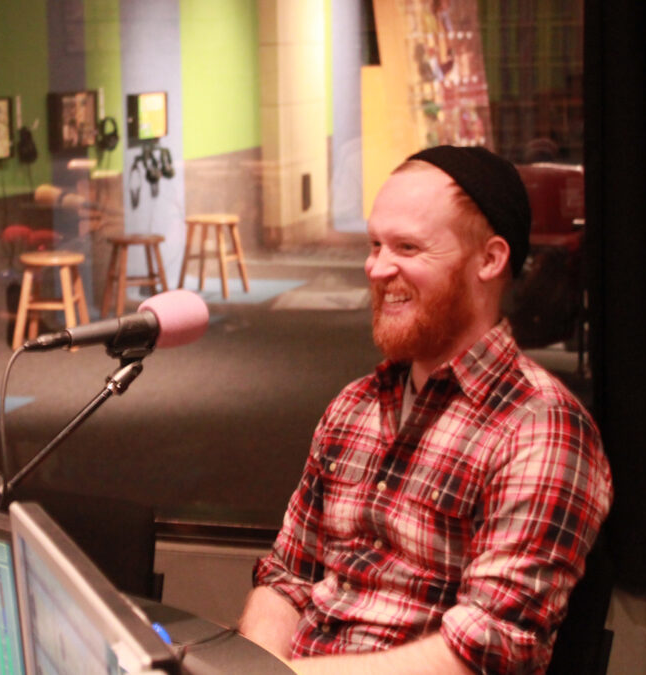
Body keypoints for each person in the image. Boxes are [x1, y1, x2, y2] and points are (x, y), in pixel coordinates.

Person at [238, 146, 613, 674]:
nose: (376, 268)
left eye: (407, 247)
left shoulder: (541, 427)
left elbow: (486, 651)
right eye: (374, 244)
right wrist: (254, 667)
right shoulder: (353, 407)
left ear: (489, 260)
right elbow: (287, 577)